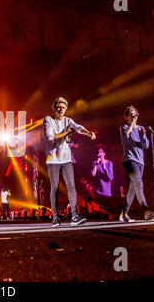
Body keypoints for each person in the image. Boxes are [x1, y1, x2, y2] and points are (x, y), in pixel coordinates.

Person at [44, 97, 96, 227]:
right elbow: (50, 137)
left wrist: (88, 133)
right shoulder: (48, 120)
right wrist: (66, 132)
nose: (61, 110)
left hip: (66, 159)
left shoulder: (68, 120)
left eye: (63, 108)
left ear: (66, 109)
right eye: (59, 107)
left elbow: (78, 128)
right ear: (54, 108)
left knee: (71, 187)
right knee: (55, 187)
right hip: (53, 159)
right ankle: (55, 218)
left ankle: (74, 216)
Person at [119, 105, 154, 222]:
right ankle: (146, 211)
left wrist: (142, 134)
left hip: (140, 161)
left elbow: (146, 145)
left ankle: (123, 214)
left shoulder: (140, 128)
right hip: (130, 160)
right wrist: (132, 124)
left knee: (133, 188)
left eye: (135, 113)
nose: (134, 115)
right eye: (131, 113)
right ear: (126, 117)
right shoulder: (124, 127)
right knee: (138, 183)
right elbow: (126, 138)